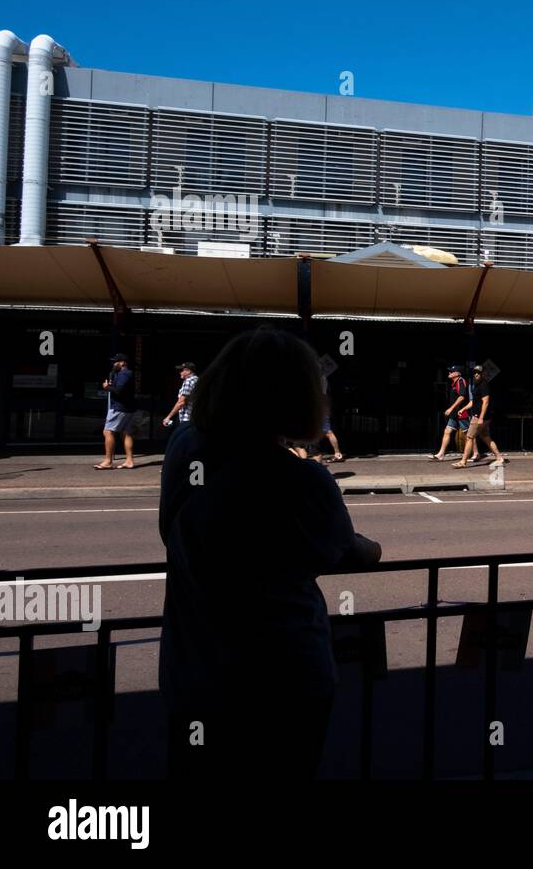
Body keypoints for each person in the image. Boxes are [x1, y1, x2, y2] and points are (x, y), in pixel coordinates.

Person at [158, 328, 382, 780]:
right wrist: (370, 547)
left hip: (194, 669)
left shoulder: (183, 451)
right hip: (283, 674)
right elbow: (348, 551)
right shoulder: (300, 479)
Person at [453, 364, 506, 469]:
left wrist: (481, 418)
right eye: (475, 373)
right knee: (486, 437)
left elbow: (485, 402)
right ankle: (499, 457)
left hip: (479, 417)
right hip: (482, 417)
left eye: (479, 373)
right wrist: (463, 409)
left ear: (483, 374)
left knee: (469, 437)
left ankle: (463, 461)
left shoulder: (483, 385)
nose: (476, 375)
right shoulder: (476, 385)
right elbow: (473, 402)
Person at [96, 353, 136, 470]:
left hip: (120, 407)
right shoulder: (121, 373)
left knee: (108, 432)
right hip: (127, 407)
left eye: (116, 362)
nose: (114, 364)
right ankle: (129, 461)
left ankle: (108, 461)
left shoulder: (125, 374)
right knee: (126, 433)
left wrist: (106, 387)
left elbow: (118, 390)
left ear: (123, 363)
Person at [430, 364, 477, 463]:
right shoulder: (454, 383)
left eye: (451, 371)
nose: (449, 373)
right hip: (455, 414)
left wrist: (451, 409)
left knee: (468, 434)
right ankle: (441, 454)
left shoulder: (460, 381)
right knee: (447, 431)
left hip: (461, 413)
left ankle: (476, 453)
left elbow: (461, 397)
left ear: (457, 373)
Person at [162, 361, 198, 428]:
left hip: (187, 420)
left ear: (188, 371)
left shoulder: (188, 381)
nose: (179, 372)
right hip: (194, 418)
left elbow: (181, 402)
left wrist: (168, 417)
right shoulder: (197, 380)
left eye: (181, 370)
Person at [320, 375, 344, 463]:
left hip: (322, 408)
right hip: (324, 407)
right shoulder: (322, 379)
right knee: (326, 431)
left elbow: (322, 395)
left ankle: (338, 454)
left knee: (328, 432)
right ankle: (337, 454)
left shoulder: (320, 378)